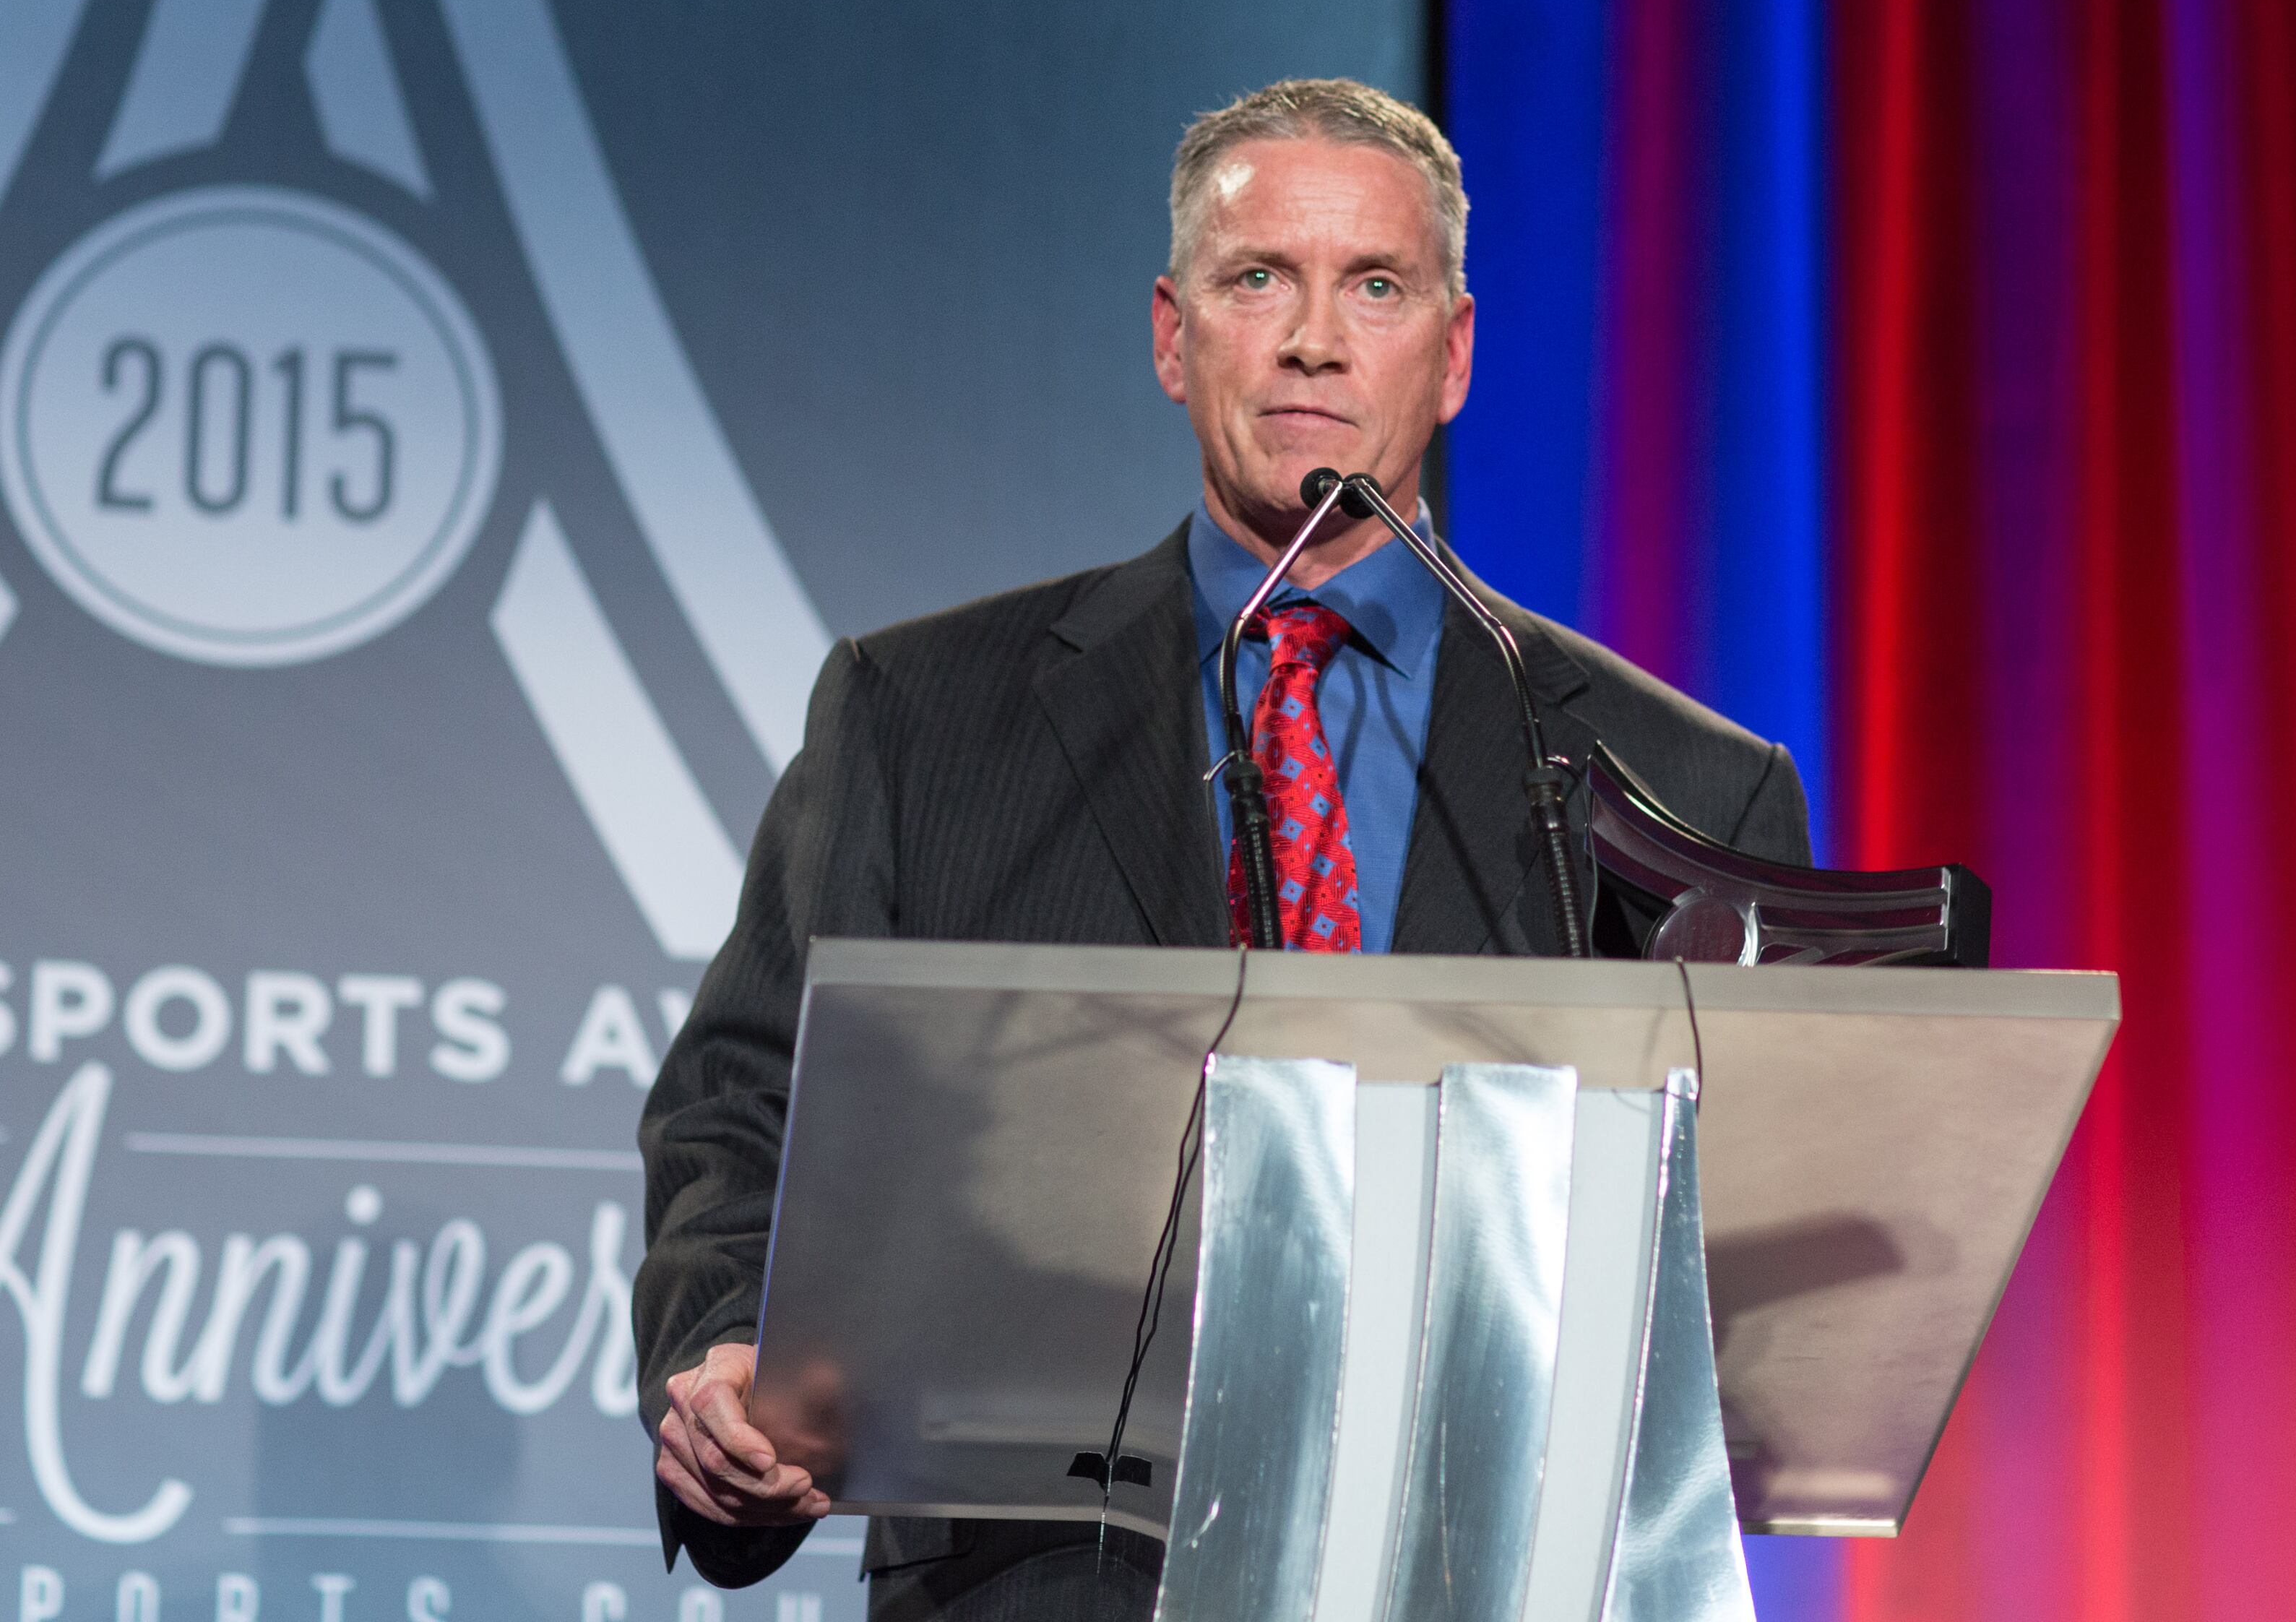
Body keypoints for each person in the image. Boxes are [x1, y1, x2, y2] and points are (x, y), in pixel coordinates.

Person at [634, 78, 1813, 1619]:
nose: (1315, 336)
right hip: (1044, 1578)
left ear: (1452, 353)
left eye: (1374, 286)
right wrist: (730, 1351)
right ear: (1172, 333)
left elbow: (1748, 1241)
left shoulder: (1677, 781)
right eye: (1260, 278)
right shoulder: (924, 714)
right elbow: (745, 1104)